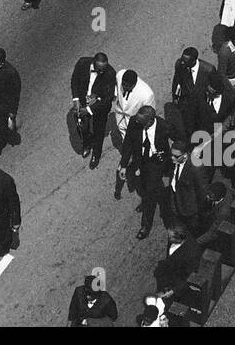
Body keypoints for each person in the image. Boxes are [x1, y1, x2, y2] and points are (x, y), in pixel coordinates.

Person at [119, 105, 172, 240]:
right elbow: (128, 144)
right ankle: (155, 199)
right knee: (145, 185)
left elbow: (177, 140)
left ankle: (146, 225)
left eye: (142, 124)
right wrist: (124, 166)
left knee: (149, 194)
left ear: (150, 121)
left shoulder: (163, 126)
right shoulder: (134, 122)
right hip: (140, 160)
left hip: (156, 163)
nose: (139, 125)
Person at [70, 52, 116, 168]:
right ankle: (86, 144)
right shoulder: (82, 63)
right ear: (93, 63)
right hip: (82, 100)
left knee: (99, 131)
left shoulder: (110, 73)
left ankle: (96, 154)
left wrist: (90, 109)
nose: (101, 72)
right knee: (82, 126)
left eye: (103, 69)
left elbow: (108, 98)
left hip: (99, 106)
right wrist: (76, 99)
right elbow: (75, 80)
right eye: (99, 69)